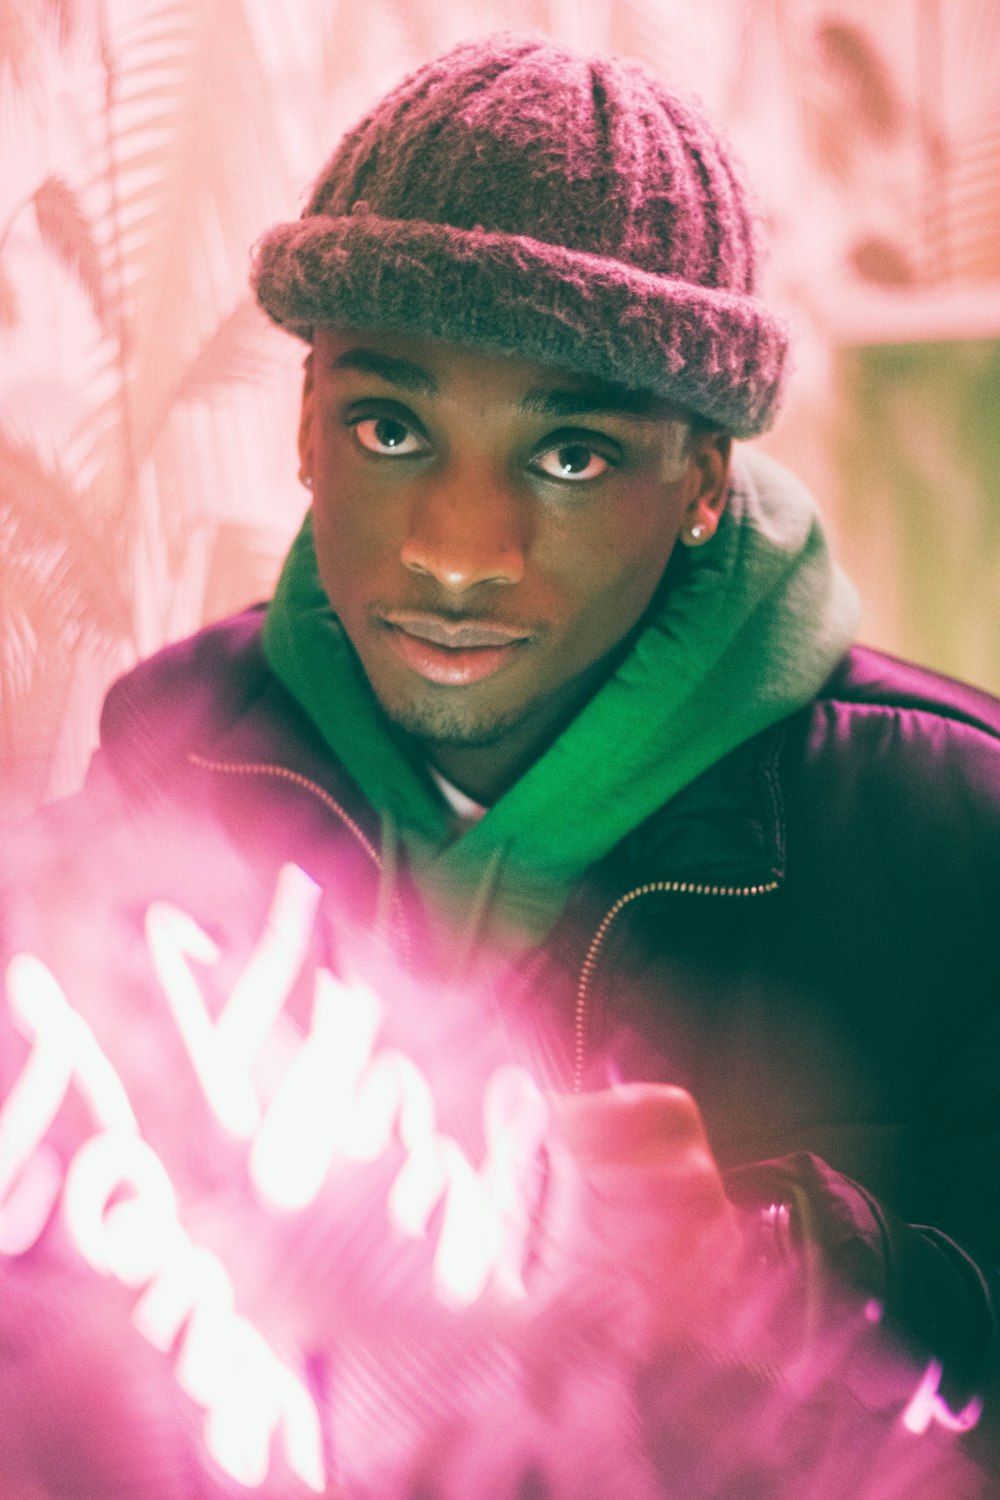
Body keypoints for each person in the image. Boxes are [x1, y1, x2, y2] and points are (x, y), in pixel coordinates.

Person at [6, 30, 1000, 1499]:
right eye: (391, 426)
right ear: (306, 428)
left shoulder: (950, 826)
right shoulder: (177, 756)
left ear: (707, 481)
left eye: (573, 455)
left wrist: (775, 1274)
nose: (456, 554)